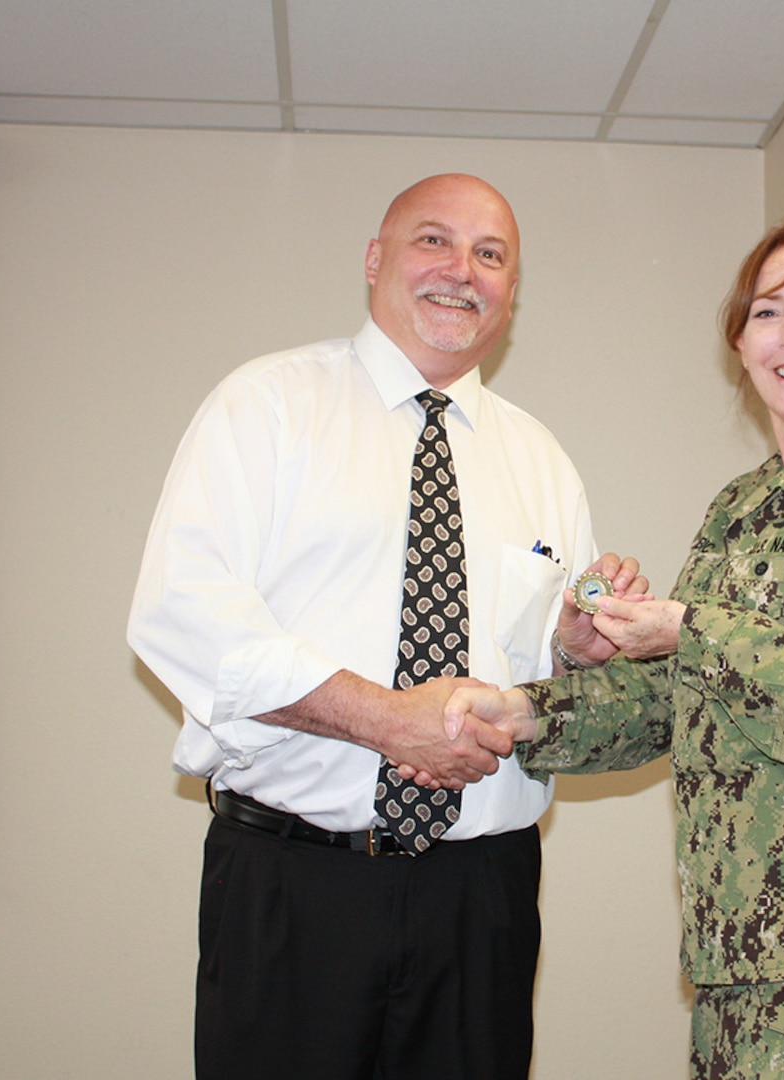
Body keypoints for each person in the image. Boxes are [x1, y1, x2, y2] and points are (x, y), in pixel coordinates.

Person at [442, 218, 784, 1079]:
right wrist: (523, 714)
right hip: (743, 943)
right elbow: (683, 695)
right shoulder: (745, 506)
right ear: (740, 342)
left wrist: (695, 628)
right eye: (768, 314)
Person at [127, 173, 644, 1080]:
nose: (462, 270)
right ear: (376, 259)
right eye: (433, 241)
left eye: (491, 255)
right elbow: (183, 614)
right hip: (293, 886)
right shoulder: (270, 406)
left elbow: (547, 683)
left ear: (511, 292)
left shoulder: (542, 462)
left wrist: (574, 650)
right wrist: (381, 717)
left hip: (480, 897)